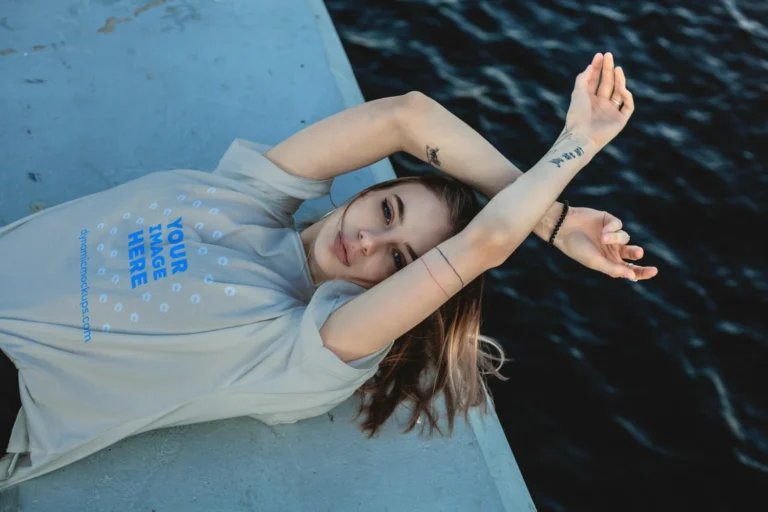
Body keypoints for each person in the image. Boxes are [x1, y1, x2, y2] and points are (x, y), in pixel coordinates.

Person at [0, 52, 656, 489]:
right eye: (387, 210)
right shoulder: (245, 192)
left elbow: (483, 244)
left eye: (399, 261)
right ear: (364, 193)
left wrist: (578, 144)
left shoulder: (306, 347)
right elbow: (404, 116)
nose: (369, 239)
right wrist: (556, 216)